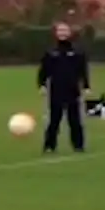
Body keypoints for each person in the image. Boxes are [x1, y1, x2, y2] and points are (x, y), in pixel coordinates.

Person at [37, 22, 90, 153]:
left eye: (65, 30)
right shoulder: (51, 52)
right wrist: (42, 85)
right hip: (56, 91)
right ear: (56, 33)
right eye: (60, 30)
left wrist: (86, 86)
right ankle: (49, 146)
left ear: (69, 32)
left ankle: (78, 146)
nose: (62, 33)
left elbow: (83, 70)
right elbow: (43, 71)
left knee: (75, 120)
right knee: (54, 120)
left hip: (73, 90)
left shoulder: (77, 51)